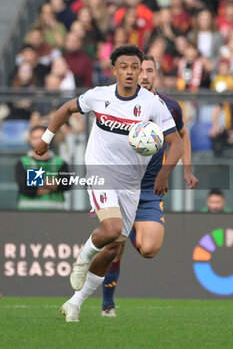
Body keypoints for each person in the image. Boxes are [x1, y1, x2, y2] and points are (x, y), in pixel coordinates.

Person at [35, 45, 183, 322]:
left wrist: (164, 174)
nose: (129, 72)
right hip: (101, 171)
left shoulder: (152, 105)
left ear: (141, 71)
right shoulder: (98, 96)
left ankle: (75, 303)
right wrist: (45, 139)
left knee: (114, 247)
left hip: (132, 183)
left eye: (134, 67)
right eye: (124, 67)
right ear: (114, 70)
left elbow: (176, 143)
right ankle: (84, 256)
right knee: (112, 229)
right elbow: (67, 108)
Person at [100, 55, 199, 317]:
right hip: (120, 186)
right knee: (114, 247)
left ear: (156, 75)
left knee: (149, 249)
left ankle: (131, 229)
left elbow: (182, 136)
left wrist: (186, 170)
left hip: (150, 189)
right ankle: (107, 304)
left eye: (149, 70)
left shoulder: (169, 107)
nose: (143, 75)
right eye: (138, 70)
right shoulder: (116, 103)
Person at [15, 126, 71, 210]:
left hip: (56, 214)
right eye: (34, 138)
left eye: (41, 138)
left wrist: (36, 182)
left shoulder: (60, 162)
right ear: (30, 140)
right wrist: (52, 184)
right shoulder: (23, 162)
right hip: (27, 213)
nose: (38, 141)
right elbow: (25, 187)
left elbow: (66, 185)